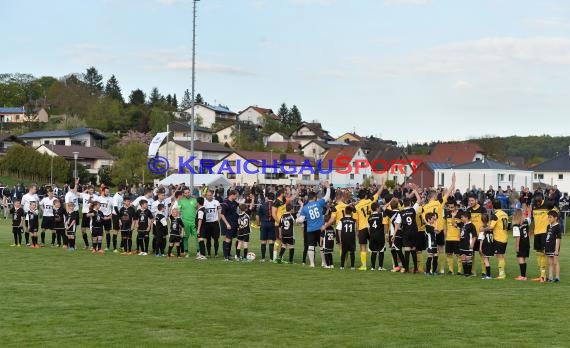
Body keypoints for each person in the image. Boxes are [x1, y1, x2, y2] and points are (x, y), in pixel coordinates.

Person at [296, 181, 331, 268]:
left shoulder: (305, 208)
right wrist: (328, 187)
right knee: (322, 246)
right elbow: (327, 197)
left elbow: (301, 220)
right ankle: (324, 263)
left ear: (308, 198)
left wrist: (297, 220)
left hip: (310, 229)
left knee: (311, 246)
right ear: (315, 197)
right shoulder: (318, 203)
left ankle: (312, 264)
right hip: (320, 228)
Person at [531, 192, 556, 282]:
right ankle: (542, 275)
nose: (537, 203)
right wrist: (531, 230)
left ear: (542, 199)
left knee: (545, 253)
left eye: (538, 201)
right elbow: (533, 219)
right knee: (538, 253)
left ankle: (546, 276)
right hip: (537, 233)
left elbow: (555, 210)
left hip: (545, 233)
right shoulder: (533, 205)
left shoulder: (547, 204)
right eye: (536, 201)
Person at [354, 186, 381, 271]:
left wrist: (357, 231)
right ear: (365, 196)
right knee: (375, 245)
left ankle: (364, 266)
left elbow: (356, 220)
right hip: (371, 226)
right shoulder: (370, 201)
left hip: (362, 228)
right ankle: (376, 265)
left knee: (362, 246)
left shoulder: (356, 207)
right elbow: (378, 193)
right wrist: (383, 185)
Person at [400, 187, 421, 273]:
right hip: (414, 232)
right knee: (413, 250)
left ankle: (407, 268)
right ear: (410, 203)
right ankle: (415, 268)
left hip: (406, 232)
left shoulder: (401, 212)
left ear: (403, 204)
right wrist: (415, 191)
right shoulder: (413, 209)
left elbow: (398, 223)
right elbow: (419, 199)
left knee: (407, 251)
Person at [467, 193, 488, 276]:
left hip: (480, 235)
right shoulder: (468, 210)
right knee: (471, 254)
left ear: (476, 200)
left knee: (482, 253)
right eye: (469, 201)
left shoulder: (482, 209)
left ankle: (484, 271)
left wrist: (484, 232)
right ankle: (473, 271)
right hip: (471, 236)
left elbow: (486, 222)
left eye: (472, 200)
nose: (471, 202)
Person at [443, 200, 462, 275]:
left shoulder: (460, 214)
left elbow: (462, 225)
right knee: (449, 254)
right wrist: (445, 232)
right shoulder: (447, 214)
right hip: (448, 238)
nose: (450, 209)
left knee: (458, 255)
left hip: (457, 238)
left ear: (456, 206)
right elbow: (445, 224)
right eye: (449, 207)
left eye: (452, 207)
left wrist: (461, 235)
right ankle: (451, 270)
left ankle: (459, 270)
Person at [220, 190, 239, 261]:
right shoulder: (225, 203)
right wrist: (227, 224)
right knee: (227, 239)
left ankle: (229, 254)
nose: (237, 197)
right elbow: (222, 215)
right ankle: (225, 257)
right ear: (232, 195)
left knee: (232, 239)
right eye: (236, 195)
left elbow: (240, 206)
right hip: (229, 224)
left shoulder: (234, 202)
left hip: (235, 223)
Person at [178, 187, 197, 257]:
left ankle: (198, 251)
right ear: (183, 194)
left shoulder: (195, 200)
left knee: (197, 236)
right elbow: (178, 212)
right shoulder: (181, 201)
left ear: (190, 192)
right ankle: (186, 251)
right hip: (185, 222)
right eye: (186, 193)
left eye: (188, 192)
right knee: (185, 237)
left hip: (194, 222)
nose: (187, 194)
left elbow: (198, 210)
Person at [512, 209, 530, 281]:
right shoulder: (526, 221)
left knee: (520, 258)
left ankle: (523, 276)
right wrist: (529, 211)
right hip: (527, 242)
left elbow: (518, 237)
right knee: (523, 258)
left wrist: (517, 246)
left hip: (521, 243)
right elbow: (529, 218)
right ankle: (523, 275)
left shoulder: (516, 225)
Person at [338, 206, 357, 270]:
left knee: (343, 252)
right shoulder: (354, 220)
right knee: (352, 252)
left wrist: (340, 238)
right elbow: (355, 230)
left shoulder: (342, 220)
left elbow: (339, 229)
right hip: (351, 238)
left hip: (344, 237)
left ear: (345, 212)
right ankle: (352, 266)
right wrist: (355, 237)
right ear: (351, 212)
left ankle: (342, 266)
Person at [458, 211, 476, 277]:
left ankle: (469, 273)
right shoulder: (462, 224)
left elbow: (474, 236)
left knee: (468, 258)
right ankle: (465, 273)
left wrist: (472, 244)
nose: (461, 218)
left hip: (468, 244)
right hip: (462, 244)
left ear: (467, 217)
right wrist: (453, 216)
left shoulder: (471, 225)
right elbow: (454, 224)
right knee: (463, 257)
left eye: (462, 217)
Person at [203, 190, 221, 257]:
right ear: (206, 196)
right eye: (208, 195)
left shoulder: (216, 202)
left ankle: (216, 253)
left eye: (210, 195)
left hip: (215, 223)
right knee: (208, 239)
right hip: (207, 223)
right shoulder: (204, 202)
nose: (209, 196)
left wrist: (218, 220)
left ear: (212, 195)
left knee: (216, 239)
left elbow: (219, 211)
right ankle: (209, 253)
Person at [545, 211, 562, 282]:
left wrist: (556, 249)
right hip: (548, 246)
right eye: (548, 217)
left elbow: (558, 238)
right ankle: (550, 276)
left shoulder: (558, 226)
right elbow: (547, 237)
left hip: (554, 247)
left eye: (550, 217)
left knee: (555, 262)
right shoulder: (548, 226)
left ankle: (557, 277)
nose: (549, 218)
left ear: (555, 218)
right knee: (549, 263)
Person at [368, 202, 385, 271]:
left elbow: (368, 228)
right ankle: (380, 267)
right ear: (377, 208)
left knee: (374, 251)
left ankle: (373, 267)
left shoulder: (369, 217)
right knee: (381, 250)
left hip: (372, 236)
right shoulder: (381, 215)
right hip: (380, 235)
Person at [97, 187, 114, 252]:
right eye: (106, 192)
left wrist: (110, 215)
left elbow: (114, 207)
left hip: (108, 217)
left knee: (107, 232)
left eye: (108, 192)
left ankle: (107, 247)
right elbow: (95, 207)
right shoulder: (98, 198)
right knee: (99, 232)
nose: (108, 193)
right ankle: (98, 247)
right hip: (100, 217)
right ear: (103, 191)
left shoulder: (110, 199)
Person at [79, 185, 94, 249]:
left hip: (91, 215)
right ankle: (86, 244)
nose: (91, 191)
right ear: (88, 190)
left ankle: (93, 245)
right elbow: (75, 192)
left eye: (92, 190)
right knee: (83, 230)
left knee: (92, 231)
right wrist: (85, 191)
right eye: (90, 190)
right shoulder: (84, 195)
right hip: (85, 214)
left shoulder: (95, 197)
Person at [479, 214, 494, 280]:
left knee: (485, 260)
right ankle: (488, 274)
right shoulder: (490, 227)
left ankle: (488, 275)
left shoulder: (482, 229)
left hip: (485, 245)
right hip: (491, 245)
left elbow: (481, 239)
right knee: (487, 260)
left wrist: (480, 248)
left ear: (481, 220)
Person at [112, 185, 125, 251]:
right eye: (124, 189)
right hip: (116, 215)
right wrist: (119, 217)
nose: (125, 190)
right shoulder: (116, 196)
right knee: (116, 231)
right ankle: (114, 248)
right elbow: (115, 207)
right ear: (122, 189)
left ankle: (122, 246)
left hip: (121, 215)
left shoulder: (121, 195)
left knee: (123, 230)